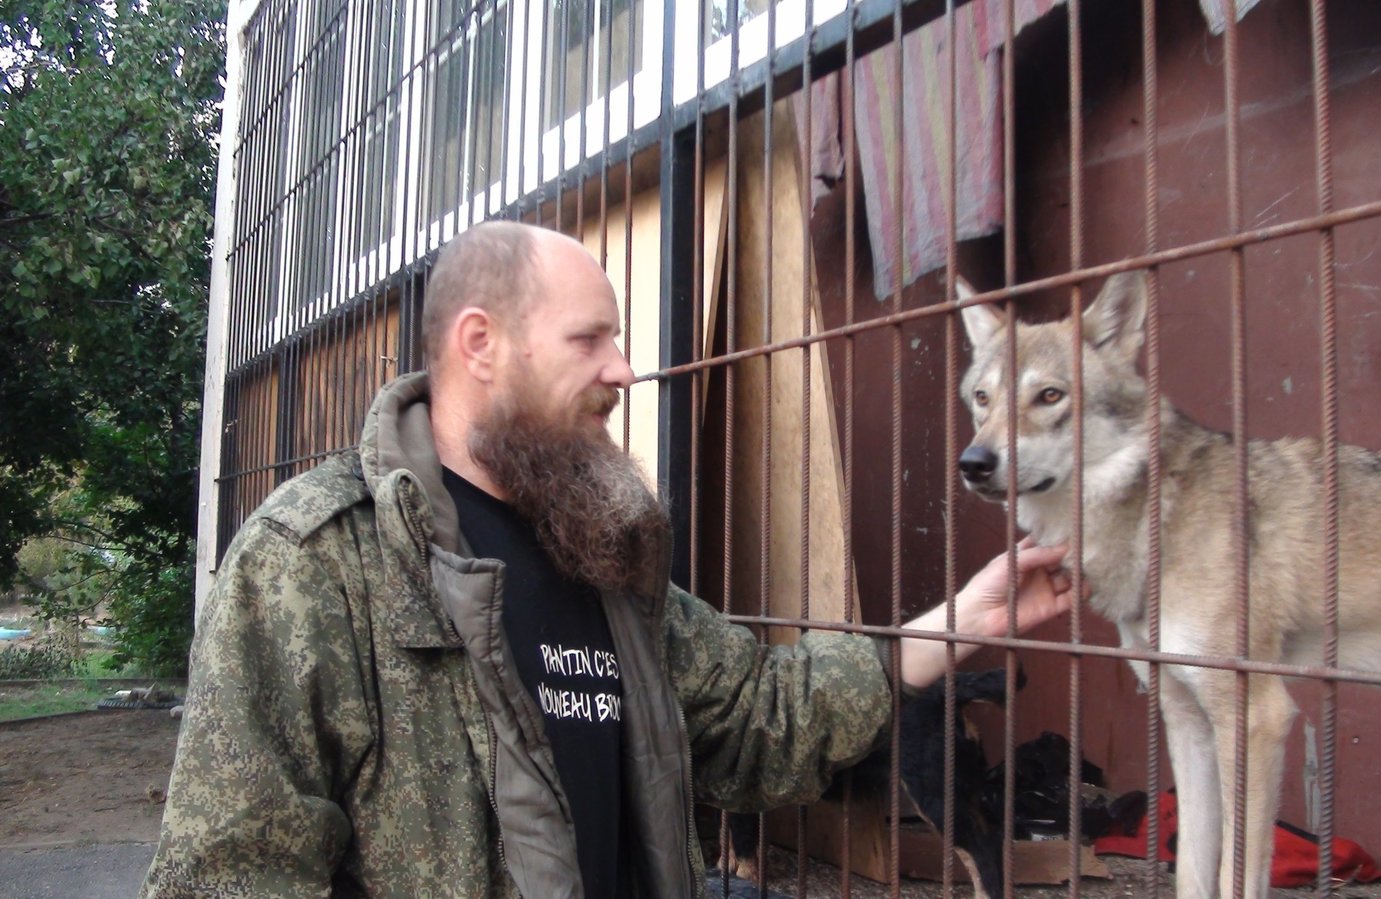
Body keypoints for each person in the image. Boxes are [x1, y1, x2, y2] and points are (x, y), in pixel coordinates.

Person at [141, 221, 1075, 898]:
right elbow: (229, 874)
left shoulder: (602, 555)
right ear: (482, 345)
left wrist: (956, 624)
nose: (624, 368)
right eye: (591, 338)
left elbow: (756, 717)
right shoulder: (312, 563)